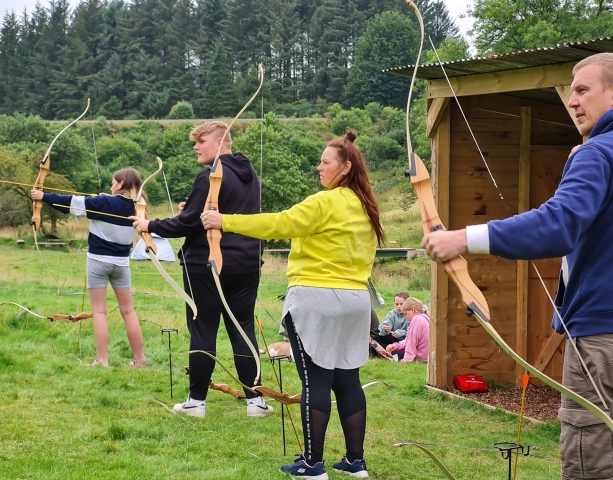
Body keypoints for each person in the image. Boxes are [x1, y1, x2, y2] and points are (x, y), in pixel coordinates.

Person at [420, 52, 613, 479]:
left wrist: (462, 238)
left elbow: (559, 226)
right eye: (571, 92)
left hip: (602, 337)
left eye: (583, 90)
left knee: (591, 460)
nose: (573, 102)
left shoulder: (597, 153)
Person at [202, 130, 384, 480]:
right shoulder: (366, 206)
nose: (319, 167)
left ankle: (312, 465)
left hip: (318, 300)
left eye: (325, 162)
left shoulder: (324, 202)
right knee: (347, 380)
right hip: (356, 302)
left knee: (315, 380)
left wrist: (223, 220)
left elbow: (280, 222)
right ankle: (354, 462)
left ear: (345, 168)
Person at [131, 121, 272, 418]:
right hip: (247, 263)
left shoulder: (210, 176)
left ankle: (196, 402)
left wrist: (149, 225)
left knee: (203, 328)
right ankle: (256, 402)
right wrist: (191, 209)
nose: (196, 146)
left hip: (208, 263)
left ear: (220, 143)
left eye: (202, 141)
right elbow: (212, 213)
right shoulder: (250, 176)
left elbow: (188, 223)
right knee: (242, 329)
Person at [31, 169, 146, 368]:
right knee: (128, 311)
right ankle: (140, 360)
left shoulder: (103, 204)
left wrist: (43, 196)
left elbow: (71, 203)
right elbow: (118, 208)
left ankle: (102, 361)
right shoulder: (140, 207)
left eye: (113, 183)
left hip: (98, 262)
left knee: (99, 312)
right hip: (121, 264)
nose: (110, 187)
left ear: (120, 184)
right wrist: (109, 199)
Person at [385, 297, 429, 362]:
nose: (406, 317)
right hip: (426, 357)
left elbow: (411, 344)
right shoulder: (425, 318)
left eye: (406, 314)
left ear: (413, 310)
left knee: (393, 354)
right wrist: (396, 345)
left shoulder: (416, 319)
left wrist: (406, 360)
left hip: (420, 358)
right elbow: (409, 340)